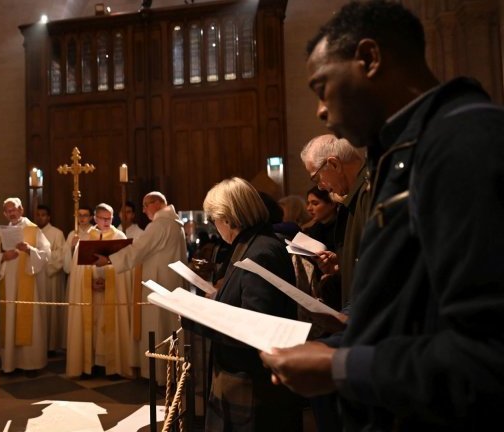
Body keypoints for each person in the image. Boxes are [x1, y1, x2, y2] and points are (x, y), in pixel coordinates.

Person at [260, 2, 504, 430]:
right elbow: (412, 311)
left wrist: (342, 366)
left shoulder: (464, 146)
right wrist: (339, 346)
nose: (320, 110)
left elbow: (488, 353)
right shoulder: (403, 152)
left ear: (369, 59)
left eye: (322, 87)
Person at [184, 177, 300, 431]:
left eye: (215, 219)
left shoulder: (260, 251)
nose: (215, 227)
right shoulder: (251, 243)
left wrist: (197, 314)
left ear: (228, 217)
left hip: (250, 382)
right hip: (244, 375)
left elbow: (256, 323)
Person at [95, 191, 186, 384]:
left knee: (157, 326)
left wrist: (109, 259)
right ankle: (172, 374)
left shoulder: (159, 224)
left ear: (159, 203)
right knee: (169, 327)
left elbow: (138, 250)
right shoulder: (177, 224)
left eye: (146, 205)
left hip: (158, 284)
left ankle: (160, 377)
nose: (144, 210)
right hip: (172, 284)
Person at [66, 203, 133, 379]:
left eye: (109, 218)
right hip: (91, 293)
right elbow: (78, 269)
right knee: (91, 329)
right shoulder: (86, 238)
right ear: (95, 218)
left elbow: (125, 269)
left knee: (110, 326)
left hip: (112, 291)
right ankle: (90, 365)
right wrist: (90, 281)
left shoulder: (119, 236)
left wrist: (109, 280)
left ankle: (112, 366)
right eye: (102, 218)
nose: (106, 221)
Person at [300, 134, 368, 307]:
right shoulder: (354, 198)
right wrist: (342, 265)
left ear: (334, 164)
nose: (320, 186)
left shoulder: (368, 194)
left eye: (316, 178)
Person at [0, 197, 51, 375]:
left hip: (28, 284)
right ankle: (10, 364)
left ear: (21, 209)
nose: (12, 213)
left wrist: (30, 249)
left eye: (14, 209)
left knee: (29, 320)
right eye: (8, 210)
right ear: (4, 213)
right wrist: (3, 257)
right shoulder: (3, 232)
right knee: (10, 320)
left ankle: (31, 364)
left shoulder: (33, 230)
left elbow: (46, 254)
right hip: (8, 284)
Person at [34, 205, 68, 352]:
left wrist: (43, 260)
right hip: (35, 277)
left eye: (43, 215)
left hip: (51, 277)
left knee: (51, 311)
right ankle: (38, 344)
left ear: (48, 217)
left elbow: (62, 255)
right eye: (38, 215)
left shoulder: (57, 233)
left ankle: (51, 345)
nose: (40, 217)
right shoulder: (32, 232)